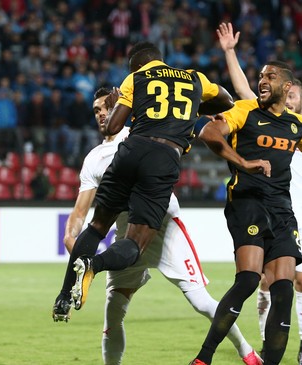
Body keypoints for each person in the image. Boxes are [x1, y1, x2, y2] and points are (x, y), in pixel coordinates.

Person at [60, 87, 261, 365]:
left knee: (200, 301)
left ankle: (246, 351)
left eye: (106, 106)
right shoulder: (94, 158)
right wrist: (72, 244)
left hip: (165, 228)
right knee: (113, 313)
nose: (101, 113)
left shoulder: (141, 134)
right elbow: (80, 214)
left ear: (121, 106)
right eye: (96, 110)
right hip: (126, 235)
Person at [53, 41, 233, 316]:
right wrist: (193, 108)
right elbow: (226, 100)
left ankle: (64, 296)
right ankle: (95, 265)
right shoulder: (195, 79)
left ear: (138, 65)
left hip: (131, 151)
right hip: (163, 158)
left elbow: (114, 127)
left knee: (97, 227)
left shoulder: (135, 78)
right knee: (135, 244)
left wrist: (127, 105)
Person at [189, 59, 302, 364]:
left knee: (283, 289)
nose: (263, 80)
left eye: (271, 76)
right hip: (247, 201)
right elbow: (210, 133)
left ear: (286, 86)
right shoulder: (245, 110)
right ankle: (204, 357)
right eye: (261, 75)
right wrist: (244, 162)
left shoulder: (295, 124)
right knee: (250, 280)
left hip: (281, 209)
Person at [217, 21, 302, 364]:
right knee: (268, 282)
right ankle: (271, 348)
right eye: (291, 95)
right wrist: (230, 53)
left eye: (296, 95)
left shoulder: (296, 128)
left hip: (285, 206)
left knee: (292, 281)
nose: (291, 99)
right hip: (276, 206)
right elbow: (244, 94)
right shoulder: (267, 118)